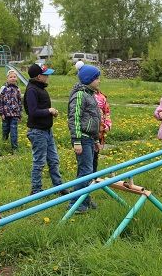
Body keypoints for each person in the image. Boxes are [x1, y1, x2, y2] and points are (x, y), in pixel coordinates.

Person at [23, 64, 69, 196]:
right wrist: (48, 110)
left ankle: (58, 187)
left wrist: (50, 112)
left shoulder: (40, 88)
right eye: (46, 74)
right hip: (37, 132)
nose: (48, 77)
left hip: (47, 130)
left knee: (54, 160)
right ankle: (36, 190)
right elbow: (32, 111)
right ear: (39, 76)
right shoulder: (32, 90)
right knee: (39, 161)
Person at [68, 64, 102, 213]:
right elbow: (74, 119)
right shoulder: (80, 95)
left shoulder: (90, 94)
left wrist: (95, 140)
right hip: (81, 138)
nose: (99, 81)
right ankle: (76, 204)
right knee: (86, 171)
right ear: (89, 79)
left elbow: (93, 119)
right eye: (97, 78)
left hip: (89, 138)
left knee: (88, 171)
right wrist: (76, 141)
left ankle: (85, 199)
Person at [0, 69, 23, 152]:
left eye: (14, 77)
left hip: (15, 115)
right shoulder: (3, 88)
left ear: (17, 78)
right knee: (5, 129)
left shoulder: (18, 89)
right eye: (11, 77)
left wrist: (20, 114)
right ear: (7, 78)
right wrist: (1, 113)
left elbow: (19, 102)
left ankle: (15, 148)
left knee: (14, 131)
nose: (13, 78)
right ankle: (4, 143)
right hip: (5, 114)